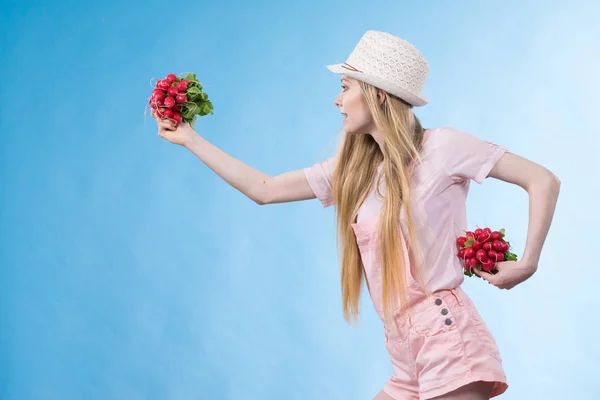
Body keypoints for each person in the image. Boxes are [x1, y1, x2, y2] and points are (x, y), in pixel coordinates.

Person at [152, 30, 561, 400]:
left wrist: (527, 262)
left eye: (345, 87)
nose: (336, 100)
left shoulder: (445, 148)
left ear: (377, 93)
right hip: (403, 350)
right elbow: (264, 190)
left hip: (445, 337)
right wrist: (189, 139)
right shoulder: (355, 171)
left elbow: (543, 180)